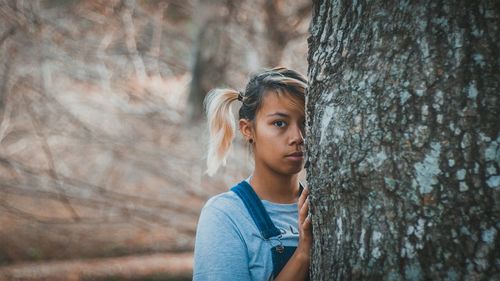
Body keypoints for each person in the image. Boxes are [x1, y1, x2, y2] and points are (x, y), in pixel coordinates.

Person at [193, 66, 312, 281]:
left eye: (305, 122)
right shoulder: (225, 215)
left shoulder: (324, 206)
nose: (298, 137)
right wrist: (303, 253)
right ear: (248, 130)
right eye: (279, 123)